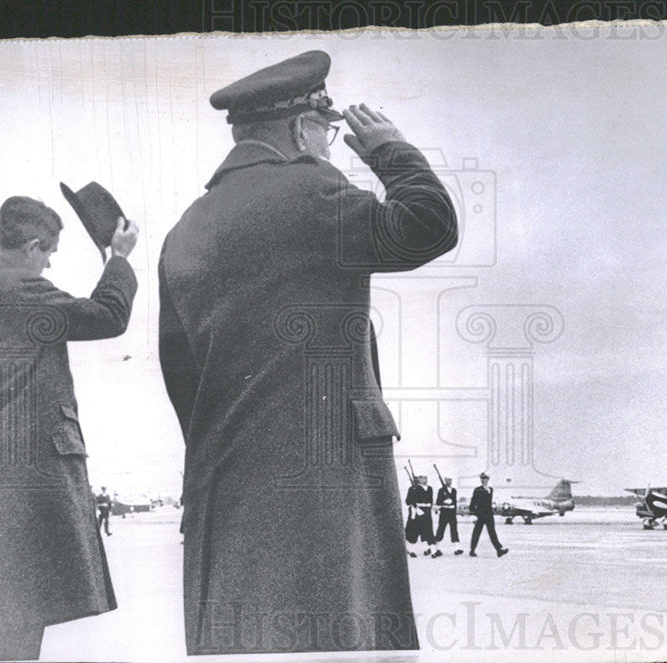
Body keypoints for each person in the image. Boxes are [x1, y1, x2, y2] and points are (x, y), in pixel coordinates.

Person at [158, 50, 457, 654]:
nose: (331, 144)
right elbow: (431, 226)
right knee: (334, 636)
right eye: (329, 130)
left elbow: (179, 372)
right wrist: (389, 151)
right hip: (325, 482)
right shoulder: (313, 191)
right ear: (301, 128)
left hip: (229, 478)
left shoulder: (184, 228)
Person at [0, 195, 139, 661]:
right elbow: (107, 316)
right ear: (32, 246)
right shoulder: (18, 288)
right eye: (48, 255)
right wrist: (119, 260)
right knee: (13, 628)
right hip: (28, 487)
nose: (46, 266)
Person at [469, 473, 508, 558]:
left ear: (488, 479)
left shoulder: (491, 489)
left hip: (489, 515)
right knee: (476, 533)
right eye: (482, 478)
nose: (483, 480)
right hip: (480, 515)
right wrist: (473, 514)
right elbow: (473, 502)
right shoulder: (477, 490)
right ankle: (472, 550)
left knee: (492, 533)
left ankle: (499, 550)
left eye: (485, 478)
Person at [405, 475, 440, 558]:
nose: (425, 479)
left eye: (426, 478)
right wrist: (416, 508)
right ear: (418, 479)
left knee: (429, 531)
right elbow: (408, 501)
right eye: (422, 478)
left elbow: (430, 500)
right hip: (417, 512)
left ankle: (433, 551)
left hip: (427, 511)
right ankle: (411, 550)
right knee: (414, 532)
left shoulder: (430, 488)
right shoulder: (413, 488)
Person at [435, 476, 465, 555]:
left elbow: (454, 502)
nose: (449, 481)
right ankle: (437, 549)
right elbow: (438, 502)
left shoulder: (454, 490)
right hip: (444, 511)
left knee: (454, 529)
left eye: (450, 479)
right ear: (445, 480)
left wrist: (455, 510)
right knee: (441, 529)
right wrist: (444, 501)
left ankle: (457, 548)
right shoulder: (441, 490)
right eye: (447, 480)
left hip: (451, 512)